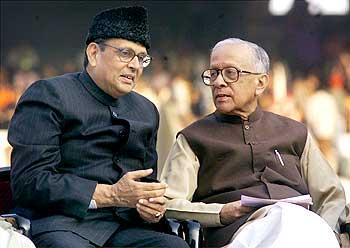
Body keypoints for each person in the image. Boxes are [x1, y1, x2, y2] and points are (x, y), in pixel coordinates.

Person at [8, 6, 189, 248]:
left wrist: (150, 207)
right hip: (64, 225)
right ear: (94, 53)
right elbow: (29, 182)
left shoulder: (146, 110)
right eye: (126, 53)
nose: (135, 65)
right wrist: (111, 194)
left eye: (141, 58)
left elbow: (146, 184)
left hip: (127, 228)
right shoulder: (49, 95)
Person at [160, 38, 347, 247]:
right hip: (238, 234)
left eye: (231, 73)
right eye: (213, 74)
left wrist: (327, 231)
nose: (219, 82)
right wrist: (220, 212)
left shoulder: (294, 132)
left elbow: (331, 196)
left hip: (304, 228)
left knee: (291, 220)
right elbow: (168, 203)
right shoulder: (194, 138)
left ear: (260, 83)